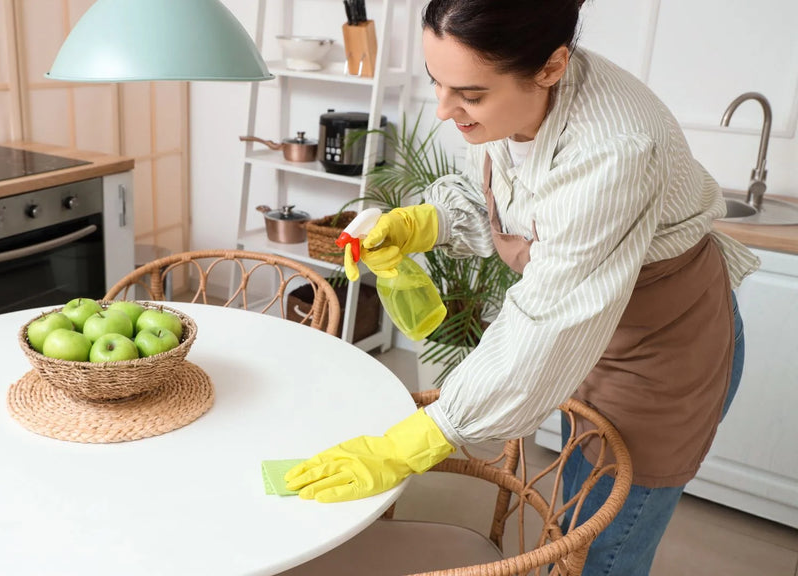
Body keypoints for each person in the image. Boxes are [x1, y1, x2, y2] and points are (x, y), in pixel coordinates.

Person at [284, 0, 761, 573]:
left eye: (470, 95)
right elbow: (499, 192)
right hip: (588, 328)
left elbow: (549, 321)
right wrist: (425, 222)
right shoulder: (515, 91)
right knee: (571, 506)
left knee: (599, 543)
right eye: (438, 82)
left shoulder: (614, 149)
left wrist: (412, 443)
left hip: (661, 345)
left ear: (552, 66)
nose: (443, 110)